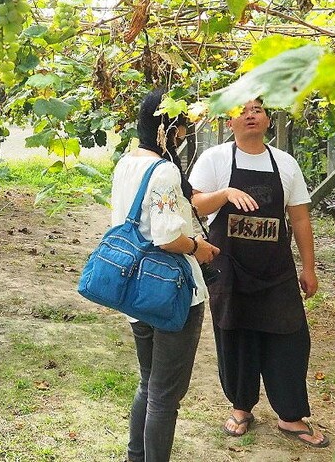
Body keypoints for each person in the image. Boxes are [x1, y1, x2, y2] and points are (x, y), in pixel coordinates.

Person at [188, 99, 329, 448]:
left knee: (290, 337)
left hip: (275, 269)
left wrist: (308, 268)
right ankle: (240, 408)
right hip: (229, 267)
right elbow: (195, 203)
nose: (251, 114)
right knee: (235, 335)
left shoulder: (285, 163)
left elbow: (299, 218)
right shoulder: (215, 159)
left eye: (258, 109)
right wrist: (225, 193)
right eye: (243, 109)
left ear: (268, 119)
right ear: (230, 120)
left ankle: (290, 415)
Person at [111, 89, 219, 462]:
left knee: (149, 382)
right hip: (172, 293)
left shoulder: (126, 164)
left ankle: (135, 456)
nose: (184, 136)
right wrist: (198, 248)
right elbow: (168, 235)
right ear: (168, 129)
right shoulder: (164, 170)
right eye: (183, 129)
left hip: (136, 291)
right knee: (165, 395)